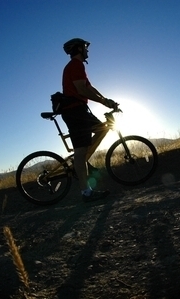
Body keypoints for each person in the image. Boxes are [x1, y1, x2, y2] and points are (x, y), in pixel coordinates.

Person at [60, 38, 118, 202]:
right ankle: (86, 192)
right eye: (85, 47)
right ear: (78, 49)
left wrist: (106, 100)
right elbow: (82, 89)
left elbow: (90, 88)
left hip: (80, 110)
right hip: (74, 111)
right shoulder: (75, 65)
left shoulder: (79, 66)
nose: (87, 51)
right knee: (80, 151)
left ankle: (83, 162)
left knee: (102, 128)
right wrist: (103, 102)